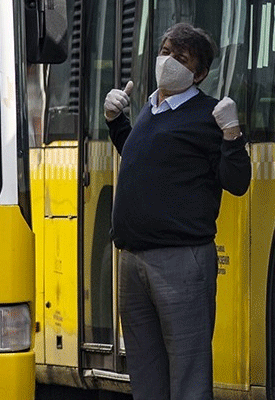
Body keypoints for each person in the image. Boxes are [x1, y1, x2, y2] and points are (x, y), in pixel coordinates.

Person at [102, 22, 250, 400]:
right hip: (134, 260)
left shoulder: (207, 115)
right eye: (165, 51)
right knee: (146, 371)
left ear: (199, 73)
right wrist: (115, 122)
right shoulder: (153, 108)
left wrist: (232, 136)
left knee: (187, 373)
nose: (168, 61)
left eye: (180, 58)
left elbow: (236, 181)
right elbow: (145, 158)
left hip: (180, 261)